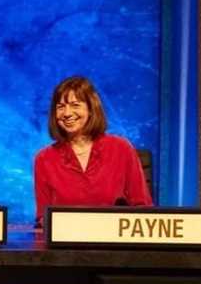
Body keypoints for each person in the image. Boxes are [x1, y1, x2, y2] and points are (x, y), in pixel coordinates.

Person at [33, 75, 151, 225]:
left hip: (113, 242)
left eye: (75, 105)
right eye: (60, 107)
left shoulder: (121, 148)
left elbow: (143, 208)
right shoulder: (44, 158)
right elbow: (43, 218)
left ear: (91, 109)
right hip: (66, 243)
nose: (67, 113)